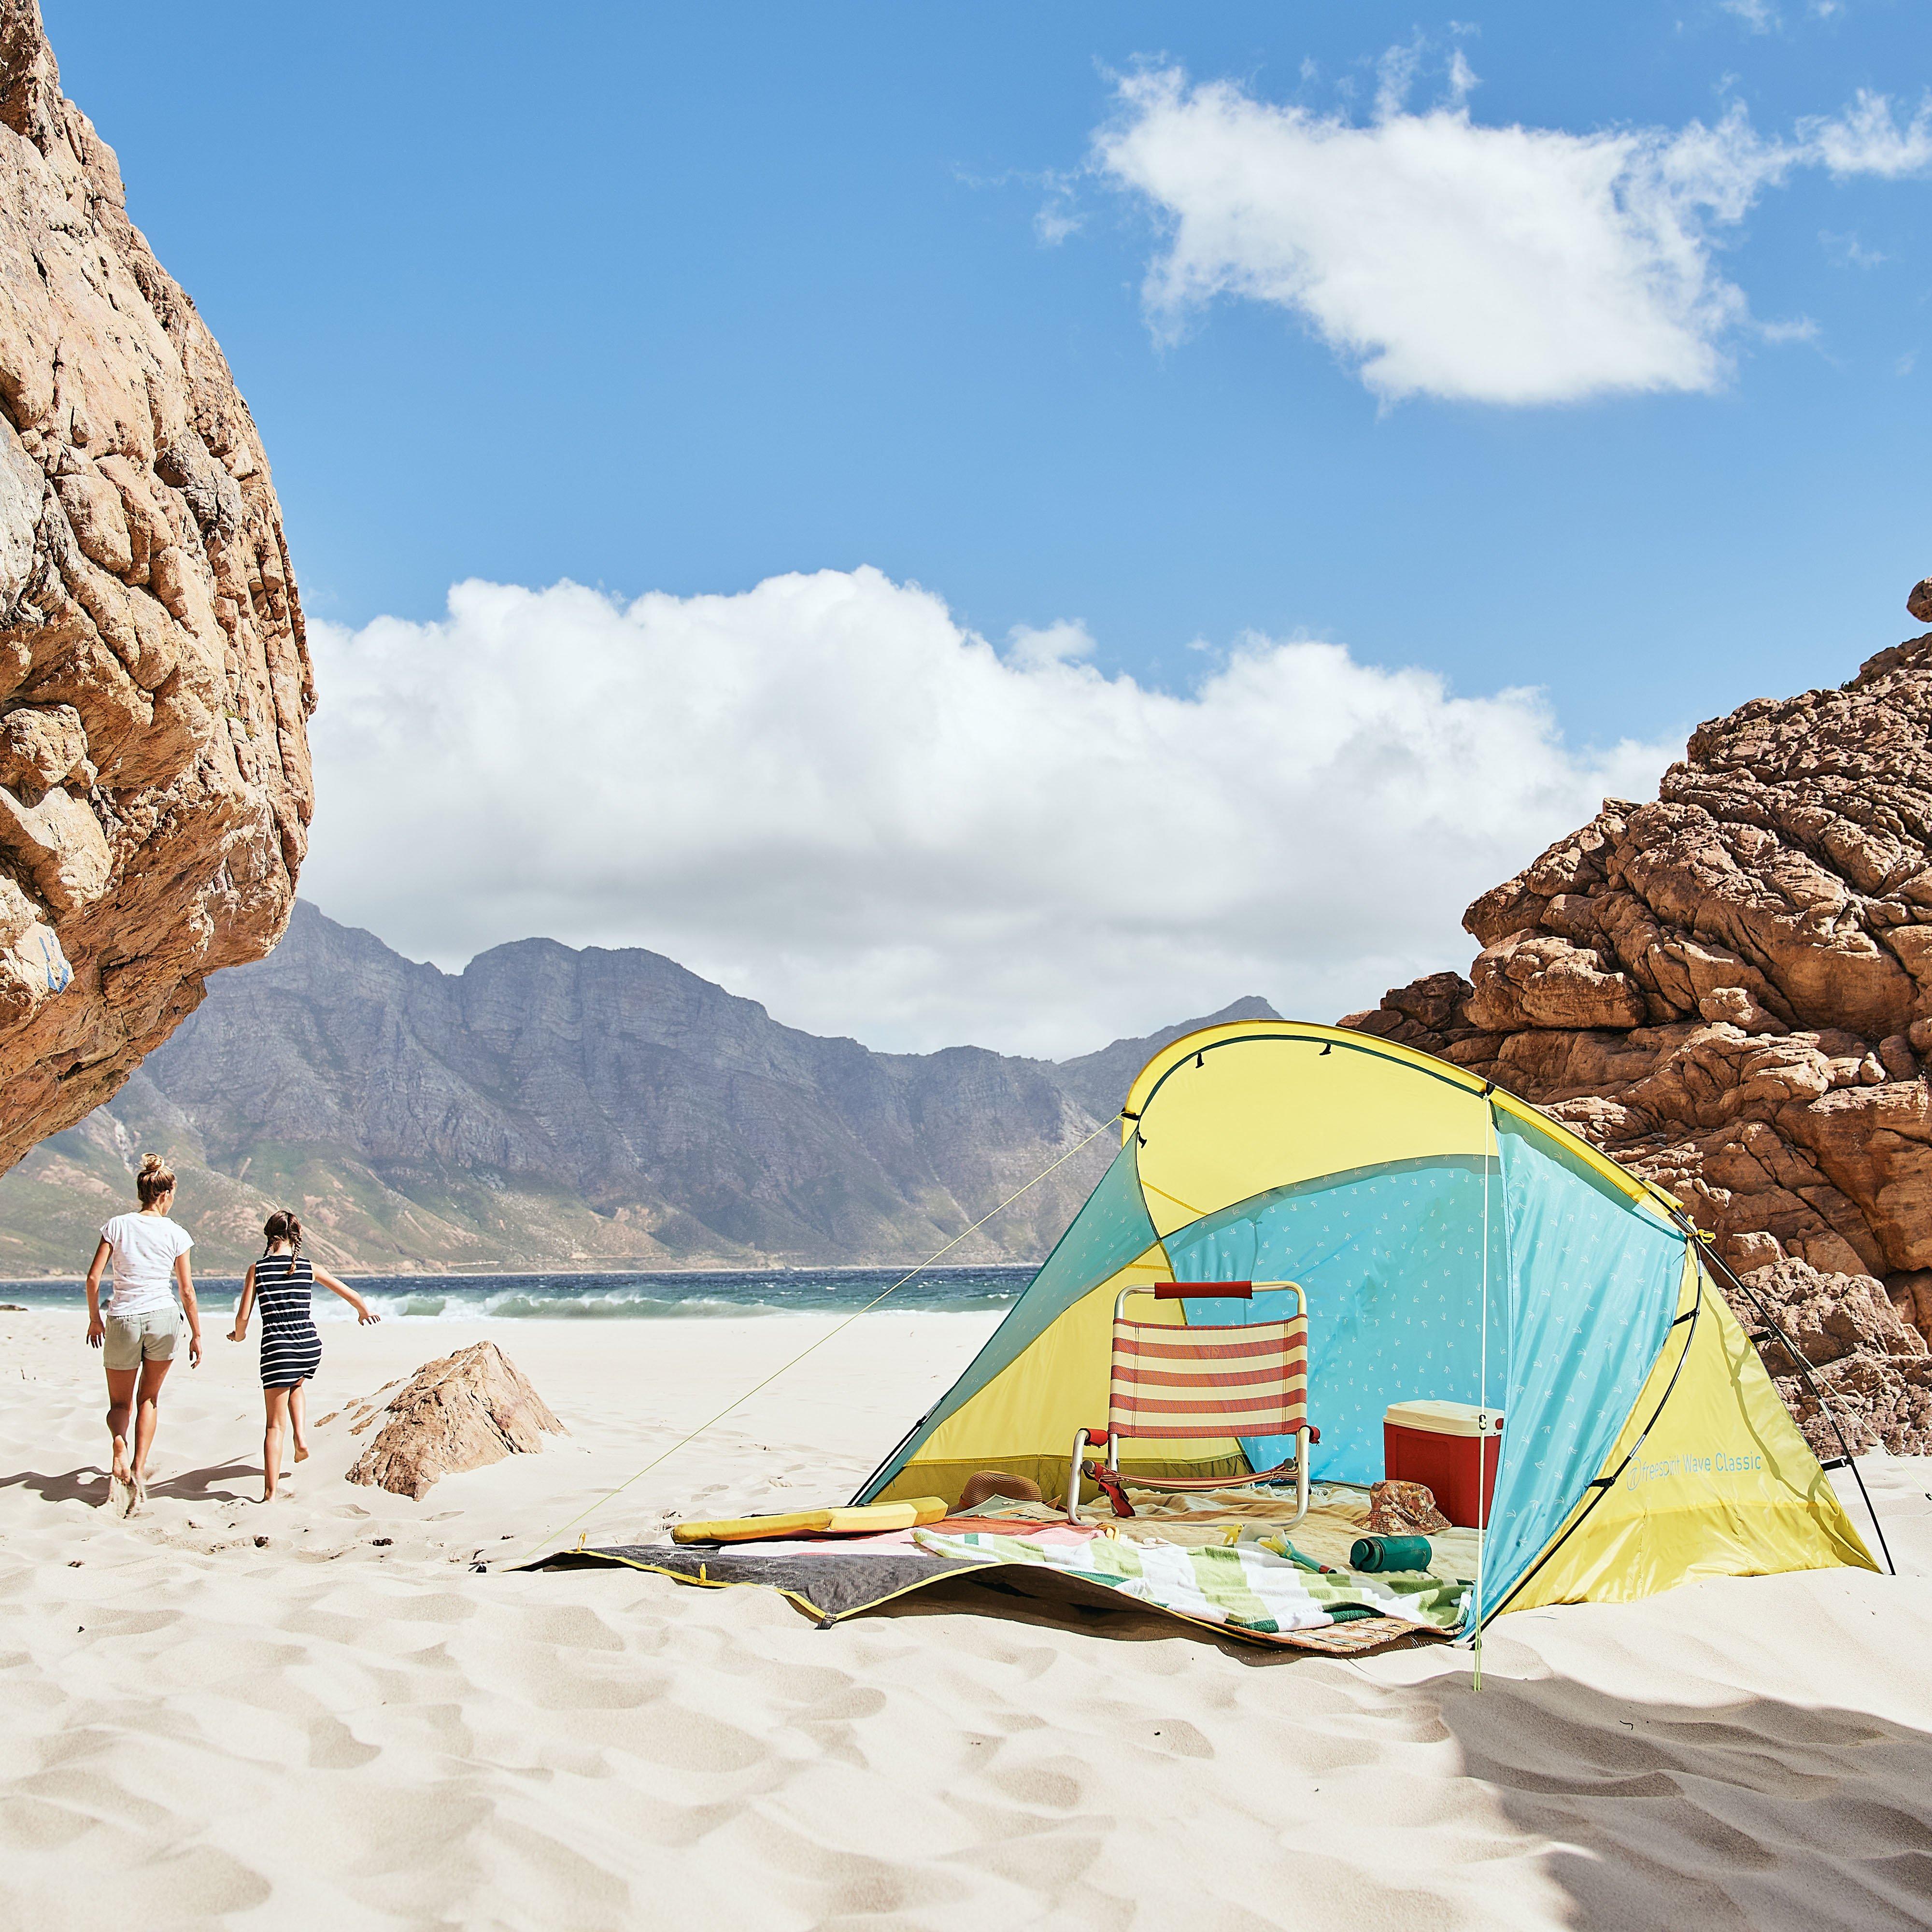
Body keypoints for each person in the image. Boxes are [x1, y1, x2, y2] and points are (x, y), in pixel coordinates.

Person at [228, 1211, 379, 1501]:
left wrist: (239, 1336)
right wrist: (364, 1312)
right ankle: (302, 1439)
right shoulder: (310, 1267)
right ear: (296, 1237)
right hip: (309, 1345)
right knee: (296, 1383)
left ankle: (270, 1494)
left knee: (274, 1425)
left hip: (278, 1348)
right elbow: (349, 1293)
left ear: (268, 1235)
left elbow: (243, 1317)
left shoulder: (257, 1269)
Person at [84, 1151, 201, 1517]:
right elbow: (186, 1292)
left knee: (120, 1405)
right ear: (165, 1195)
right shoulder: (177, 1233)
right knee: (148, 1400)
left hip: (123, 1317)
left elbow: (92, 1279)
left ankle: (119, 1445)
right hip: (164, 1318)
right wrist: (197, 1334)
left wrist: (95, 1320)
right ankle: (137, 1469)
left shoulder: (117, 1226)